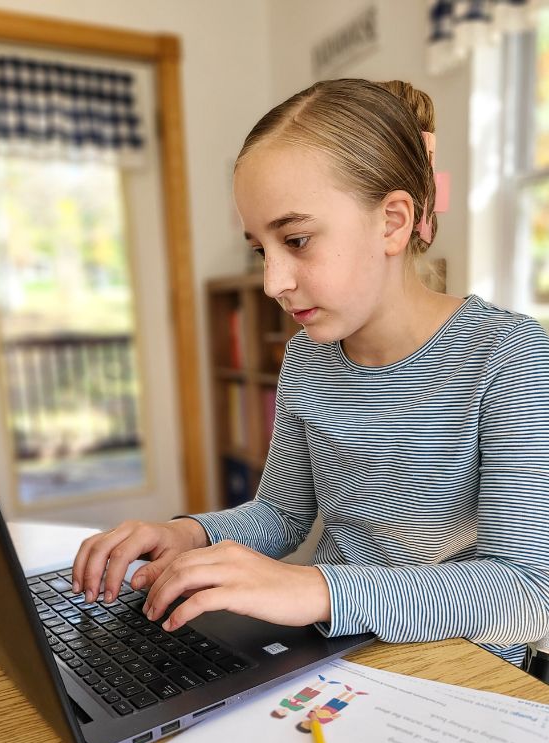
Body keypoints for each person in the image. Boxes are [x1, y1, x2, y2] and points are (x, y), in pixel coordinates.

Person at [72, 78, 549, 668]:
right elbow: (282, 514)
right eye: (261, 249)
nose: (273, 282)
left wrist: (316, 590)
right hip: (336, 650)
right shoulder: (306, 357)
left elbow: (528, 592)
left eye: (296, 240)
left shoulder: (508, 355)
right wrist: (189, 534)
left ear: (393, 222)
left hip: (464, 665)